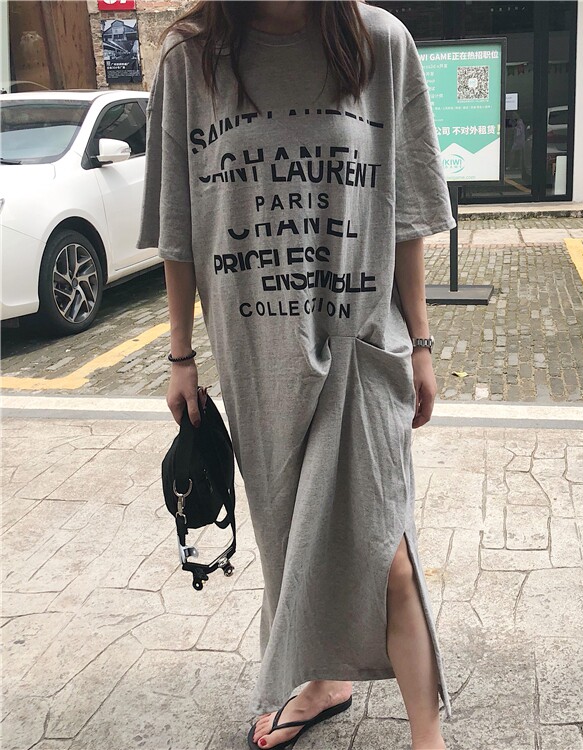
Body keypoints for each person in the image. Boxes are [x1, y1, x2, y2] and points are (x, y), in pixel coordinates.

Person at [136, 2, 456, 749]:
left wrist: (421, 343)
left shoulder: (380, 45)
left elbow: (407, 213)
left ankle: (429, 739)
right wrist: (180, 356)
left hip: (361, 347)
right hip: (255, 355)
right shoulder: (190, 62)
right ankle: (323, 680)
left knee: (387, 550)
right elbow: (179, 229)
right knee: (290, 544)